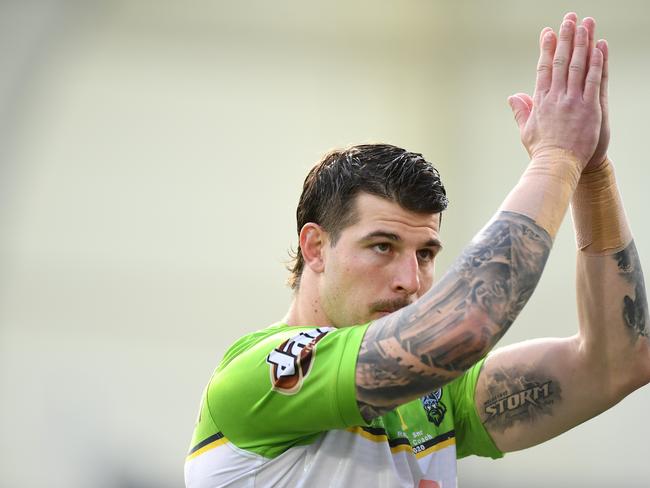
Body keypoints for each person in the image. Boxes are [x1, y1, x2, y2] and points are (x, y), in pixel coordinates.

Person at [184, 12, 649, 488]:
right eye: (382, 246)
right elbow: (465, 325)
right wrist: (555, 159)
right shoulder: (258, 377)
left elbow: (620, 361)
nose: (411, 279)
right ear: (315, 247)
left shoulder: (437, 396)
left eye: (425, 253)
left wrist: (592, 172)